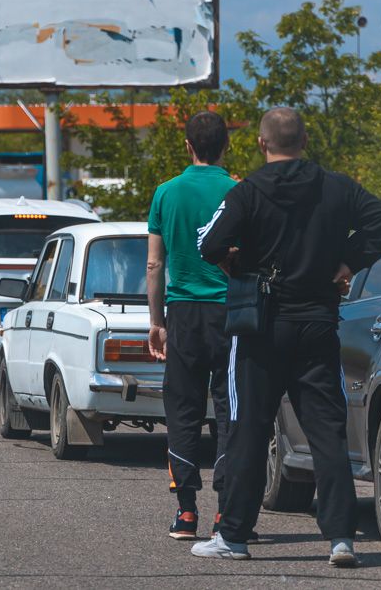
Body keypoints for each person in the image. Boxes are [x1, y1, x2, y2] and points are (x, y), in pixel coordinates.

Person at [190, 107, 381, 566]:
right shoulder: (337, 186)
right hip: (318, 325)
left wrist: (236, 262)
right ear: (305, 140)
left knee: (250, 428)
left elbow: (207, 244)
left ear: (263, 145)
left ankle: (235, 536)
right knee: (326, 430)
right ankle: (341, 537)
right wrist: (348, 261)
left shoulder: (247, 192)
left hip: (262, 327)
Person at [146, 111, 239, 541]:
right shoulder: (240, 191)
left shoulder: (165, 192)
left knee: (182, 409)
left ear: (188, 146)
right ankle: (226, 512)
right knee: (229, 409)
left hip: (181, 313)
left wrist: (156, 322)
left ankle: (186, 512)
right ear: (226, 146)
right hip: (229, 314)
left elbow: (153, 263)